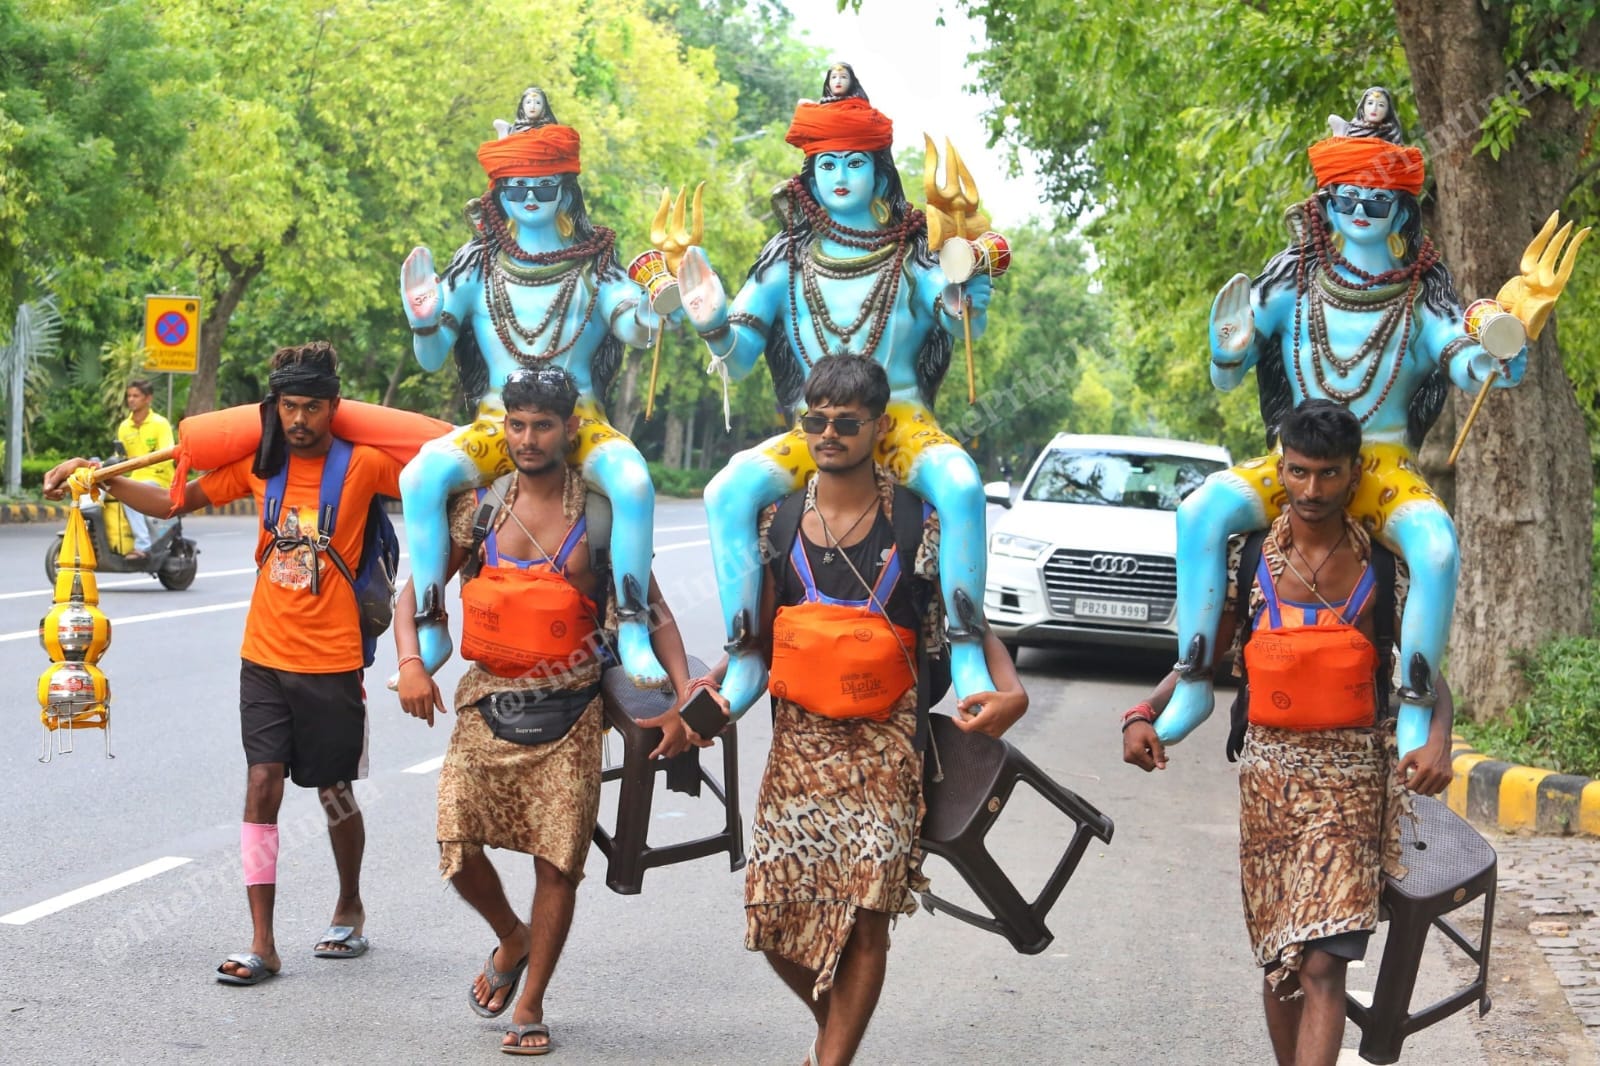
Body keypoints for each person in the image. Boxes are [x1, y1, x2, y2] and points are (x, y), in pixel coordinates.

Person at [1160, 117, 1566, 757]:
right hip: (1294, 460)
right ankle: (1192, 678)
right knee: (1199, 512)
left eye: (1377, 199)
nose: (1361, 210)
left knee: (1435, 547)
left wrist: (1498, 358)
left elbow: (1463, 359)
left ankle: (1416, 701)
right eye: (1346, 197)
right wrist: (1224, 351)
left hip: (1379, 465)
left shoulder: (1423, 295)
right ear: (1325, 204)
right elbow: (1227, 371)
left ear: (1402, 209)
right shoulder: (1291, 281)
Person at [697, 356, 1027, 1066]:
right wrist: (710, 693)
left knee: (868, 917)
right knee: (772, 922)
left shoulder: (918, 523)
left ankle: (832, 1059)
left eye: (846, 423)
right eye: (814, 420)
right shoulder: (776, 520)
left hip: (885, 754)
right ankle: (833, 1035)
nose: (827, 434)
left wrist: (1011, 690)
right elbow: (756, 630)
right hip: (797, 753)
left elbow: (971, 624)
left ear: (880, 427)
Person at [45, 341, 402, 984]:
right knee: (261, 783)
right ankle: (262, 941)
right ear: (275, 407)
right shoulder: (260, 467)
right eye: (289, 406)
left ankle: (349, 902)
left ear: (334, 408)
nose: (300, 420)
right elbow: (172, 503)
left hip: (333, 661)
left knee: (335, 794)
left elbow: (446, 480)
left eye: (313, 407)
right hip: (262, 655)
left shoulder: (368, 465)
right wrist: (101, 476)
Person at [1122, 399, 1454, 1066]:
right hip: (1269, 781)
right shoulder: (1248, 563)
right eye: (1298, 473)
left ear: (1356, 473)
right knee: (1281, 960)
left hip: (1355, 783)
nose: (1311, 491)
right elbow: (1204, 655)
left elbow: (1424, 676)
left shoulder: (1384, 568)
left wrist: (1438, 738)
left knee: (1324, 964)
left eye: (1329, 475)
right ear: (1281, 468)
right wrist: (1144, 713)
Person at [393, 365, 697, 1056]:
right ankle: (511, 936)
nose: (528, 439)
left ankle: (529, 1004)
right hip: (486, 702)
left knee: (558, 863)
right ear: (505, 429)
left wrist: (680, 700)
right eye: (518, 425)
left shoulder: (598, 513)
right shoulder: (479, 509)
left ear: (569, 431)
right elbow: (415, 595)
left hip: (570, 712)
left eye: (543, 426)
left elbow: (656, 612)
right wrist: (411, 663)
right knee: (455, 846)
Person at [677, 82, 1000, 720]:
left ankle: (965, 649)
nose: (841, 176)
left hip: (898, 421)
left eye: (855, 162)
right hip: (818, 426)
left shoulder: (910, 251)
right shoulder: (784, 260)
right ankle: (745, 653)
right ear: (810, 174)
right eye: (827, 164)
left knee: (961, 485)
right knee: (727, 491)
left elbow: (961, 315)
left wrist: (967, 283)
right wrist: (712, 320)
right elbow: (740, 357)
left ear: (880, 172)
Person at [399, 93, 667, 691]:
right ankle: (430, 620)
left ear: (566, 189)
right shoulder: (475, 268)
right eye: (515, 185)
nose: (528, 197)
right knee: (418, 478)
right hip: (501, 422)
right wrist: (422, 318)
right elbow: (433, 355)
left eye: (542, 184)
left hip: (581, 421)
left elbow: (635, 327)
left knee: (632, 481)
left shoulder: (596, 268)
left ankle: (632, 625)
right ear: (498, 193)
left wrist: (656, 306)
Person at [114, 378, 175, 559]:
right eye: (129, 396)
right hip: (135, 479)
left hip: (159, 479)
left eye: (136, 396)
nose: (131, 399)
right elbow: (120, 458)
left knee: (130, 496)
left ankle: (142, 545)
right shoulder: (125, 427)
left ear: (148, 399)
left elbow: (167, 453)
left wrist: (142, 460)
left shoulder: (160, 423)